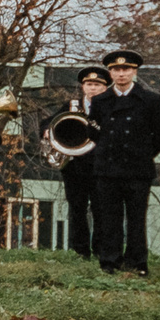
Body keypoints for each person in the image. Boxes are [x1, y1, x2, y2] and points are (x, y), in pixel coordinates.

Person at [86, 48, 160, 275]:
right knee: (109, 218)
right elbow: (94, 131)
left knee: (136, 218)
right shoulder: (100, 100)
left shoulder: (150, 100)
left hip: (137, 169)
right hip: (108, 168)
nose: (121, 74)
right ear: (110, 73)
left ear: (134, 72)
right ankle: (109, 261)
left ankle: (137, 262)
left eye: (126, 69)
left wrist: (143, 152)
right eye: (116, 69)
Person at [58, 65, 108, 260]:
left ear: (105, 87)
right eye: (89, 84)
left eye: (97, 84)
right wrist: (46, 130)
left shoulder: (109, 107)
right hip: (74, 167)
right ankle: (81, 251)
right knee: (77, 210)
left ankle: (99, 249)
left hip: (100, 167)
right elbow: (49, 122)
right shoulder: (71, 106)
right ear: (82, 86)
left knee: (101, 210)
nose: (92, 88)